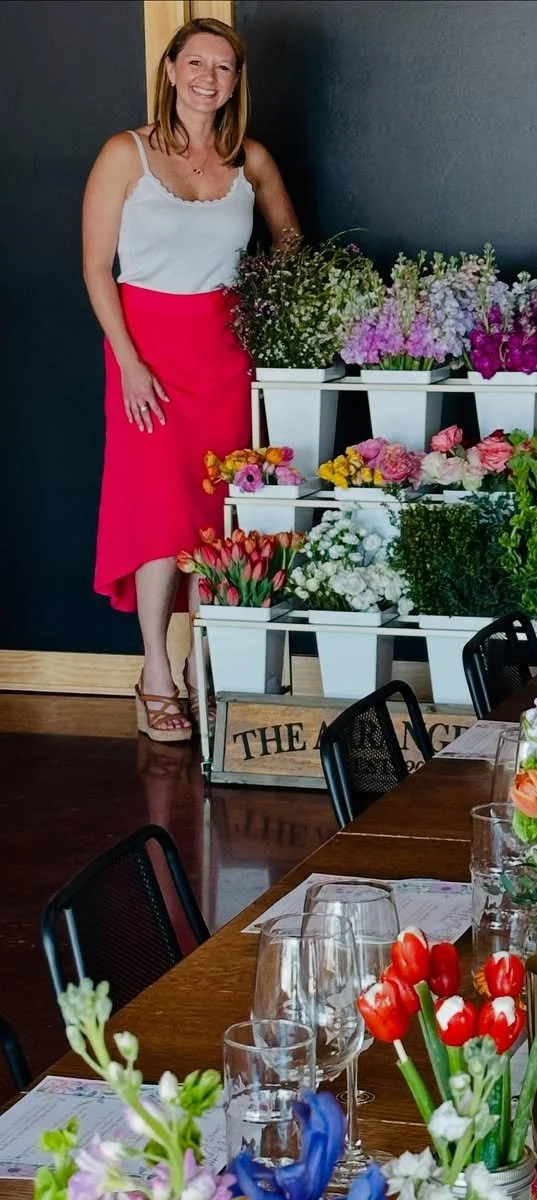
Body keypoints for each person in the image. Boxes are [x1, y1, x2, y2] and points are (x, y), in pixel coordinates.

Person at [84, 18, 298, 741]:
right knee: (156, 516)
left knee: (216, 520)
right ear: (171, 70)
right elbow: (95, 269)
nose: (210, 78)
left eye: (225, 67)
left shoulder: (251, 159)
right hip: (145, 353)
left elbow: (292, 253)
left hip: (225, 354)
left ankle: (214, 672)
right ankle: (155, 674)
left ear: (237, 82)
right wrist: (129, 362)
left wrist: (268, 318)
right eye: (197, 63)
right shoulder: (125, 153)